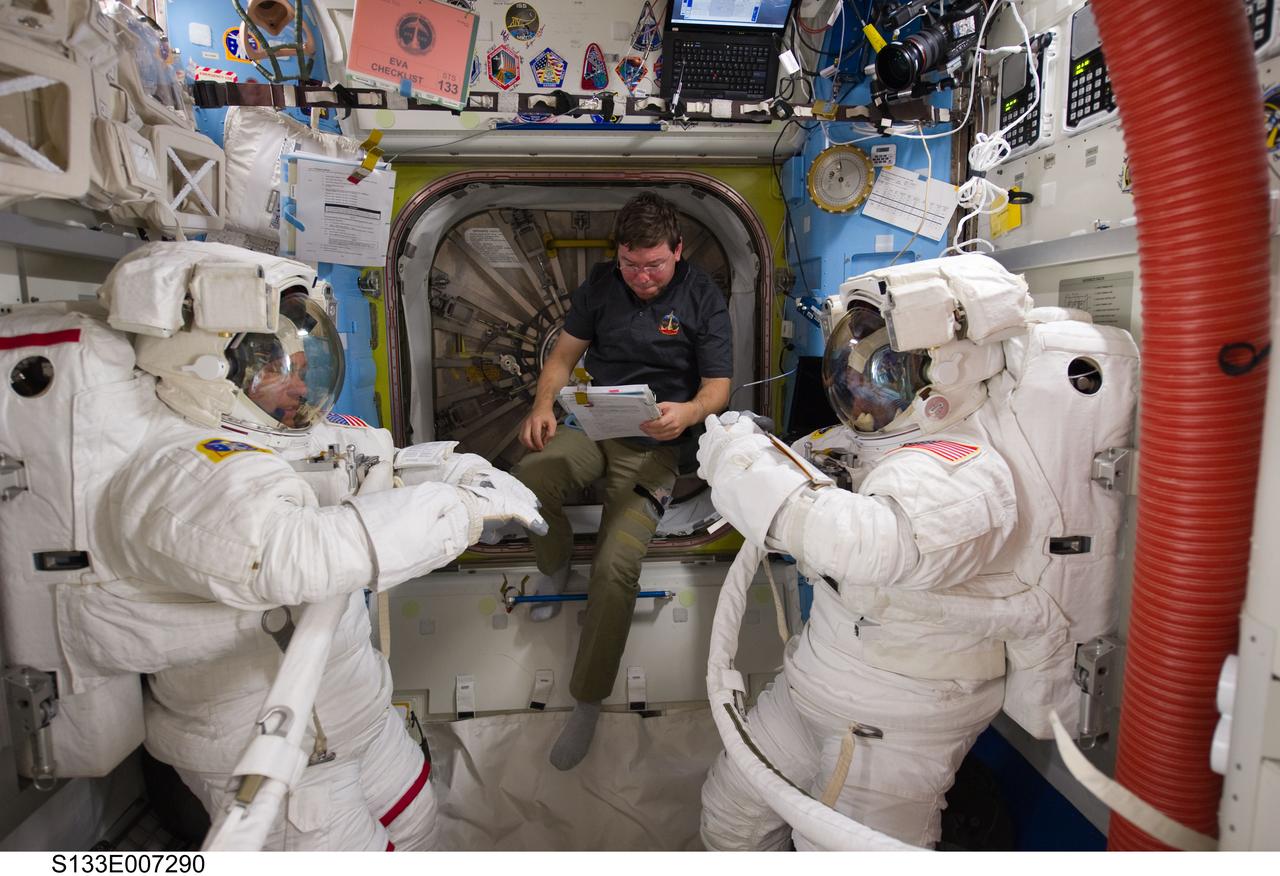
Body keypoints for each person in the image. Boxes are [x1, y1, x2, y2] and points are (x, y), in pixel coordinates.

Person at [64, 242, 546, 850]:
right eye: (272, 368)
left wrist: (461, 471)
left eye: (299, 363)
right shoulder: (181, 470)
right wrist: (461, 510)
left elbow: (373, 461)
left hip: (357, 716)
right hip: (279, 758)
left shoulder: (272, 441)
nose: (296, 383)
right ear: (207, 367)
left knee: (423, 831)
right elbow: (294, 552)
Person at [695, 254, 1137, 848]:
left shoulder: (966, 468)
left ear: (944, 374)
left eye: (882, 373)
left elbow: (874, 544)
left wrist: (742, 468)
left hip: (895, 716)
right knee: (729, 822)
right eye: (853, 369)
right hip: (814, 683)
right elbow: (807, 479)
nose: (860, 388)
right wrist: (764, 460)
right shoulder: (866, 444)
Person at [513, 192, 733, 771]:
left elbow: (718, 387)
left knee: (615, 568)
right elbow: (562, 358)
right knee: (527, 477)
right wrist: (542, 406)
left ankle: (586, 699)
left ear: (677, 252)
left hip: (657, 446)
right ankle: (553, 556)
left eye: (655, 265)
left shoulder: (701, 297)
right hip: (596, 425)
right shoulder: (603, 285)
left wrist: (685, 415)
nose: (641, 277)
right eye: (632, 264)